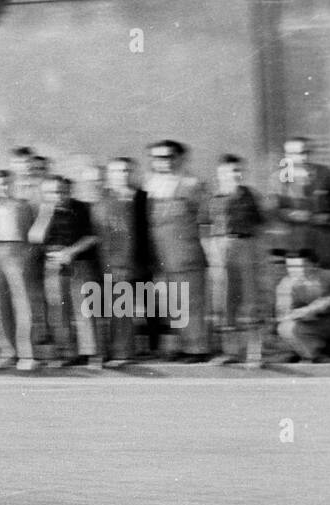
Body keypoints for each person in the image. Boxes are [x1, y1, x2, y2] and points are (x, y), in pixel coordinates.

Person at [146, 139, 208, 360]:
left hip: (185, 254)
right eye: (157, 157)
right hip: (160, 255)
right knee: (170, 302)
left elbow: (206, 220)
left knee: (190, 301)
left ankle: (196, 348)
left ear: (180, 158)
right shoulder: (150, 185)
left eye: (168, 157)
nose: (162, 162)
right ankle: (178, 346)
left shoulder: (192, 185)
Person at [30, 175, 100, 367]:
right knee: (59, 309)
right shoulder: (43, 211)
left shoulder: (81, 208)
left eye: (60, 191)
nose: (56, 195)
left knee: (84, 309)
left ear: (68, 190)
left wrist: (71, 251)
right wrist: (46, 213)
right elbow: (35, 237)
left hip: (79, 262)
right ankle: (68, 352)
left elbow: (92, 237)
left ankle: (90, 352)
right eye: (50, 192)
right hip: (53, 265)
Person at [204, 154, 265, 365]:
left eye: (239, 170)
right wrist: (213, 253)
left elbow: (258, 223)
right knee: (225, 300)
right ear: (220, 174)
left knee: (250, 298)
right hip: (221, 246)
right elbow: (206, 227)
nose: (236, 175)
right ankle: (230, 351)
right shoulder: (214, 198)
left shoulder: (249, 195)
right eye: (231, 171)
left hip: (246, 245)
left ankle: (254, 353)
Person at [92, 157, 151, 363]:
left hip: (127, 261)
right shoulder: (104, 201)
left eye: (126, 170)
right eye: (117, 171)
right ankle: (109, 350)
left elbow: (127, 235)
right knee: (113, 307)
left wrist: (122, 262)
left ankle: (122, 351)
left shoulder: (139, 198)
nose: (122, 175)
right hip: (106, 261)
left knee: (123, 307)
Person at [0, 169, 37, 369]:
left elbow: (31, 235)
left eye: (5, 183)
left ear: (10, 184)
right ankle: (6, 351)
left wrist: (25, 256)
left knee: (22, 303)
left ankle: (26, 354)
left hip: (16, 250)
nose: (1, 188)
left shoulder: (22, 206)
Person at [272, 136, 330, 269]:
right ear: (287, 155)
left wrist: (329, 216)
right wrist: (291, 214)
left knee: (327, 281)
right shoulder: (279, 178)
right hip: (296, 242)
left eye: (306, 152)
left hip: (323, 241)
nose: (303, 157)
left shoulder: (325, 173)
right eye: (296, 154)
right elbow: (274, 210)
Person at [274, 248, 330, 362]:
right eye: (294, 266)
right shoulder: (291, 285)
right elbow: (289, 311)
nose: (300, 270)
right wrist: (299, 314)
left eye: (304, 265)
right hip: (315, 324)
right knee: (286, 327)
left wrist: (322, 305)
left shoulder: (328, 276)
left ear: (314, 265)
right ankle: (316, 356)